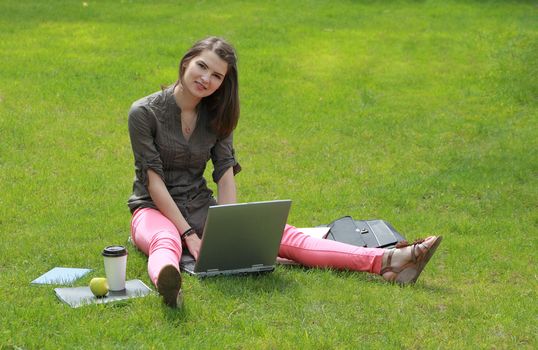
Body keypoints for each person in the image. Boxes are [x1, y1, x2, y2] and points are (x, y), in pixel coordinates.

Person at [127, 36, 443, 308]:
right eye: (201, 66)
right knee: (165, 238)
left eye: (217, 75)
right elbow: (153, 182)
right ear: (186, 62)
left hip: (199, 205)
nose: (206, 78)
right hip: (152, 209)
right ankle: (170, 284)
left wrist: (230, 230)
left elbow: (224, 172)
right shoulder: (144, 112)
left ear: (224, 83)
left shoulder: (217, 114)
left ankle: (387, 262)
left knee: (283, 235)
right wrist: (190, 236)